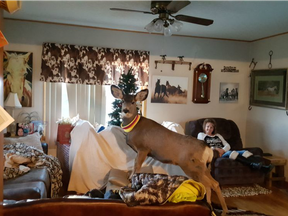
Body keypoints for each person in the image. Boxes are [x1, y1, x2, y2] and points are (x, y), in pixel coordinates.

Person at [197, 118, 274, 173]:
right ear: (204, 127)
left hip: (224, 151)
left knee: (245, 152)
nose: (209, 129)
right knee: (233, 153)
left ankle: (260, 165)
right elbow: (202, 145)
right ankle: (259, 166)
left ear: (213, 128)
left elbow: (227, 145)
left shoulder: (218, 135)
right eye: (208, 127)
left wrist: (223, 150)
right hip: (215, 154)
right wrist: (215, 149)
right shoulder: (201, 135)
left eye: (211, 127)